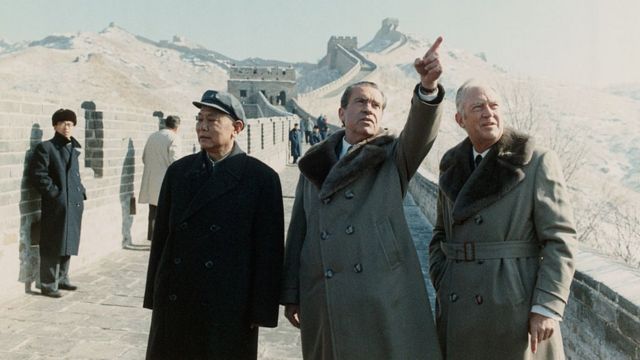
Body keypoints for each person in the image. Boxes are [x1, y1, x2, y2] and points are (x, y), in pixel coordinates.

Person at [281, 37, 445, 359]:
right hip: (325, 288)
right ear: (341, 113)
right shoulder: (313, 164)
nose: (369, 109)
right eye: (361, 102)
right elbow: (299, 228)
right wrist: (292, 292)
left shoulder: (393, 157)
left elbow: (420, 133)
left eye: (376, 105)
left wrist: (427, 89)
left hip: (380, 289)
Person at [429, 79, 576, 359]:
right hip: (458, 304)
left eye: (494, 105)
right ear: (460, 119)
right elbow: (440, 232)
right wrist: (442, 276)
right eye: (478, 107)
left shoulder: (535, 161)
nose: (488, 113)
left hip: (515, 306)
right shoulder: (451, 164)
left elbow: (560, 239)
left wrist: (547, 306)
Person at [143, 90, 285, 360]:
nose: (203, 127)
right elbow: (162, 240)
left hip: (229, 305)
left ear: (237, 128)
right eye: (199, 119)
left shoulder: (261, 179)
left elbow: (269, 251)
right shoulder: (179, 173)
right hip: (177, 300)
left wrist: (261, 310)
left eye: (212, 120)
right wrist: (155, 295)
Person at [29, 109, 86, 298]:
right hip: (58, 204)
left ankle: (62, 278)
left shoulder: (73, 147)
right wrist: (56, 195)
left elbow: (74, 175)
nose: (67, 127)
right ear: (55, 125)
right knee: (53, 243)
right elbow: (39, 175)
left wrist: (81, 192)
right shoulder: (46, 148)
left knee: (68, 241)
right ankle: (47, 283)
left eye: (70, 124)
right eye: (63, 123)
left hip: (73, 203)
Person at [138, 115, 181, 241]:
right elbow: (175, 162)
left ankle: (152, 239)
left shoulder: (153, 136)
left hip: (151, 180)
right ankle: (162, 239)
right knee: (166, 212)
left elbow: (144, 158)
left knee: (153, 211)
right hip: (166, 181)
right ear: (177, 126)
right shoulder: (174, 138)